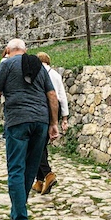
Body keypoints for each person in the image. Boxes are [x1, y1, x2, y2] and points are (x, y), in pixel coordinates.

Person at [0, 38, 59, 220]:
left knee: (16, 169)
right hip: (40, 121)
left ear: (8, 50)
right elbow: (52, 95)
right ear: (25, 50)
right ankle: (17, 213)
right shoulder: (38, 65)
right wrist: (54, 123)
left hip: (18, 120)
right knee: (30, 170)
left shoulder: (6, 65)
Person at [33, 51, 69, 195]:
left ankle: (47, 174)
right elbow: (62, 96)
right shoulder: (55, 74)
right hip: (56, 109)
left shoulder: (36, 73)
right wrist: (64, 117)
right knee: (41, 144)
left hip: (41, 108)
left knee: (36, 144)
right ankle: (40, 181)